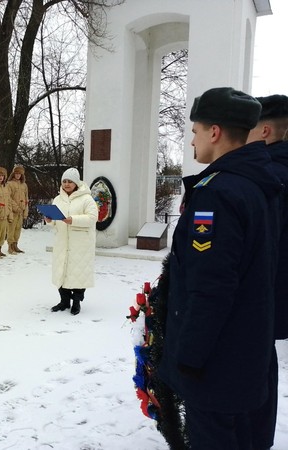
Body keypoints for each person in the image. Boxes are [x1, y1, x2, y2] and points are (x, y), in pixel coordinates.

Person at [158, 87, 281, 450]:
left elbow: (211, 285)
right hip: (246, 355)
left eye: (194, 131)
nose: (192, 140)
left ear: (214, 132)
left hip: (216, 366)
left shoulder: (216, 194)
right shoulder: (257, 184)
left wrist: (188, 358)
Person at [246, 94, 288, 450]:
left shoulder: (268, 175)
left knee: (252, 376)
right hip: (276, 295)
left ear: (264, 130)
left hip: (261, 296)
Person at [43, 168, 97, 315]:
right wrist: (49, 219)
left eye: (70, 181)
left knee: (77, 272)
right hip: (62, 242)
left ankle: (76, 302)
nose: (66, 184)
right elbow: (54, 221)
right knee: (62, 271)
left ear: (76, 183)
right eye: (64, 181)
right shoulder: (58, 199)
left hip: (80, 243)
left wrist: (73, 220)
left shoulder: (87, 199)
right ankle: (64, 301)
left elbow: (92, 218)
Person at [6, 164, 29, 254]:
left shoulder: (24, 185)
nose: (18, 175)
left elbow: (26, 198)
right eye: (16, 173)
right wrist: (15, 207)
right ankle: (10, 246)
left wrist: (25, 210)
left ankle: (15, 245)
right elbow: (8, 198)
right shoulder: (9, 184)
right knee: (11, 228)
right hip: (13, 211)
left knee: (18, 229)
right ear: (13, 173)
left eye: (20, 174)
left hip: (21, 211)